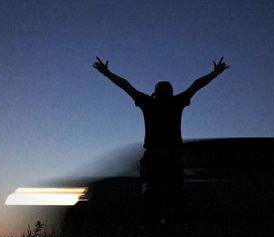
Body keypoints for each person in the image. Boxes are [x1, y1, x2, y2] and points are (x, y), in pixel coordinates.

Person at [92, 57, 229, 226]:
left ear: (155, 93)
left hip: (154, 156)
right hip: (173, 157)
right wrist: (214, 74)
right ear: (170, 92)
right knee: (174, 195)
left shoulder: (149, 103)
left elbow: (126, 86)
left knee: (151, 196)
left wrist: (107, 73)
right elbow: (196, 85)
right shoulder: (176, 102)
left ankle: (151, 228)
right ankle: (172, 227)